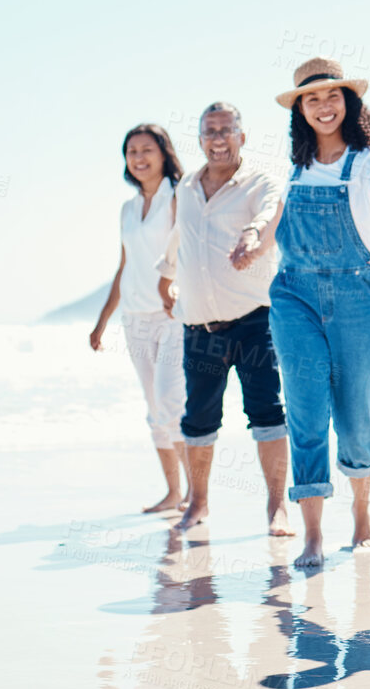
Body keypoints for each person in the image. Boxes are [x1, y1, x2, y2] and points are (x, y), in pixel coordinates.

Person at [267, 58, 370, 568]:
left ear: (349, 102)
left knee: (356, 421)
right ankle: (311, 535)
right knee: (305, 413)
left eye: (332, 96)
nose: (323, 106)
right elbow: (271, 223)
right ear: (299, 111)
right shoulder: (295, 170)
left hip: (356, 298)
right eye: (312, 99)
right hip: (294, 298)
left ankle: (363, 516)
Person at [156, 103, 292, 536]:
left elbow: (270, 212)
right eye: (209, 131)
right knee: (198, 419)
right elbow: (181, 234)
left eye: (226, 130)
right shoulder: (186, 188)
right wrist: (166, 274)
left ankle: (277, 509)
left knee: (268, 414)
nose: (217, 138)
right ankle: (197, 504)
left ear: (242, 136)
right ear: (199, 139)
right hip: (199, 326)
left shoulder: (258, 182)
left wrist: (253, 235)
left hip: (253, 321)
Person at [89, 124, 191, 513]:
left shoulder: (179, 197)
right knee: (154, 409)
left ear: (164, 153)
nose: (139, 157)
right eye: (131, 151)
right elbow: (124, 266)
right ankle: (173, 494)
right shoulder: (128, 209)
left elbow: (189, 251)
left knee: (170, 402)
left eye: (147, 149)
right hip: (133, 318)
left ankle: (198, 498)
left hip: (171, 315)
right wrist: (102, 322)